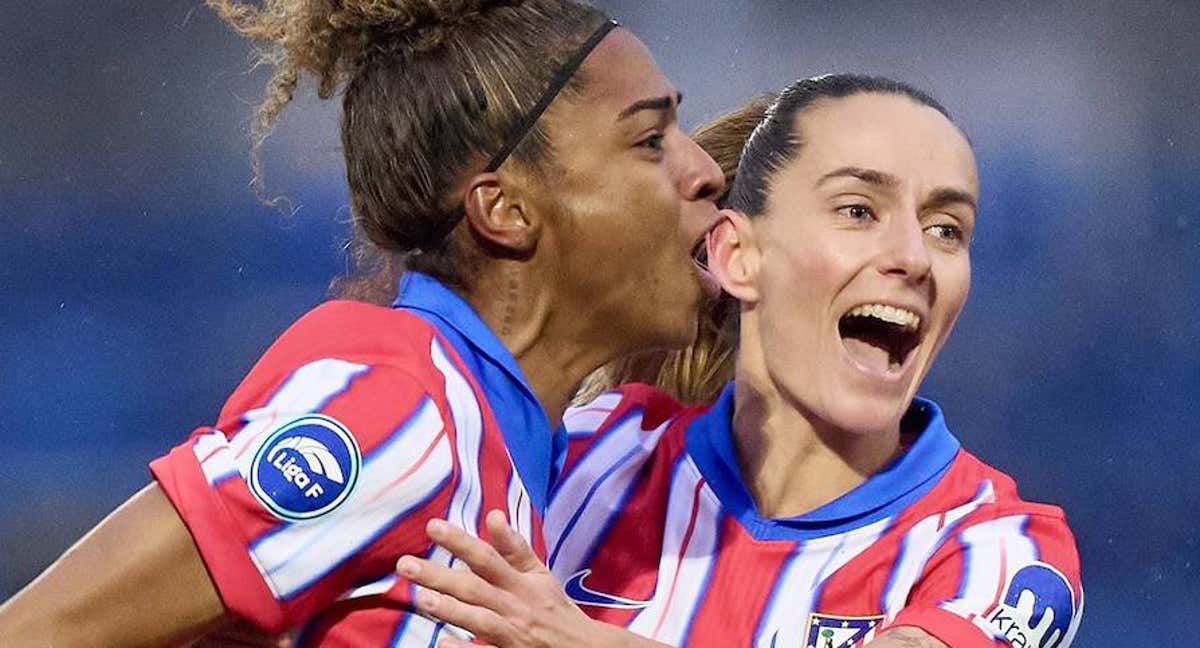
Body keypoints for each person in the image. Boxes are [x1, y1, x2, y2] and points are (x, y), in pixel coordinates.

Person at [0, 0, 725, 646]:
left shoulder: (522, 462)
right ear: (505, 210)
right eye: (649, 140)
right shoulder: (402, 411)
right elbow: (38, 630)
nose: (704, 170)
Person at [391, 75, 1084, 648]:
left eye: (946, 229)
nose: (912, 257)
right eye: (858, 211)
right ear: (737, 257)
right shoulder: (586, 455)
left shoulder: (1005, 550)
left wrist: (579, 640)